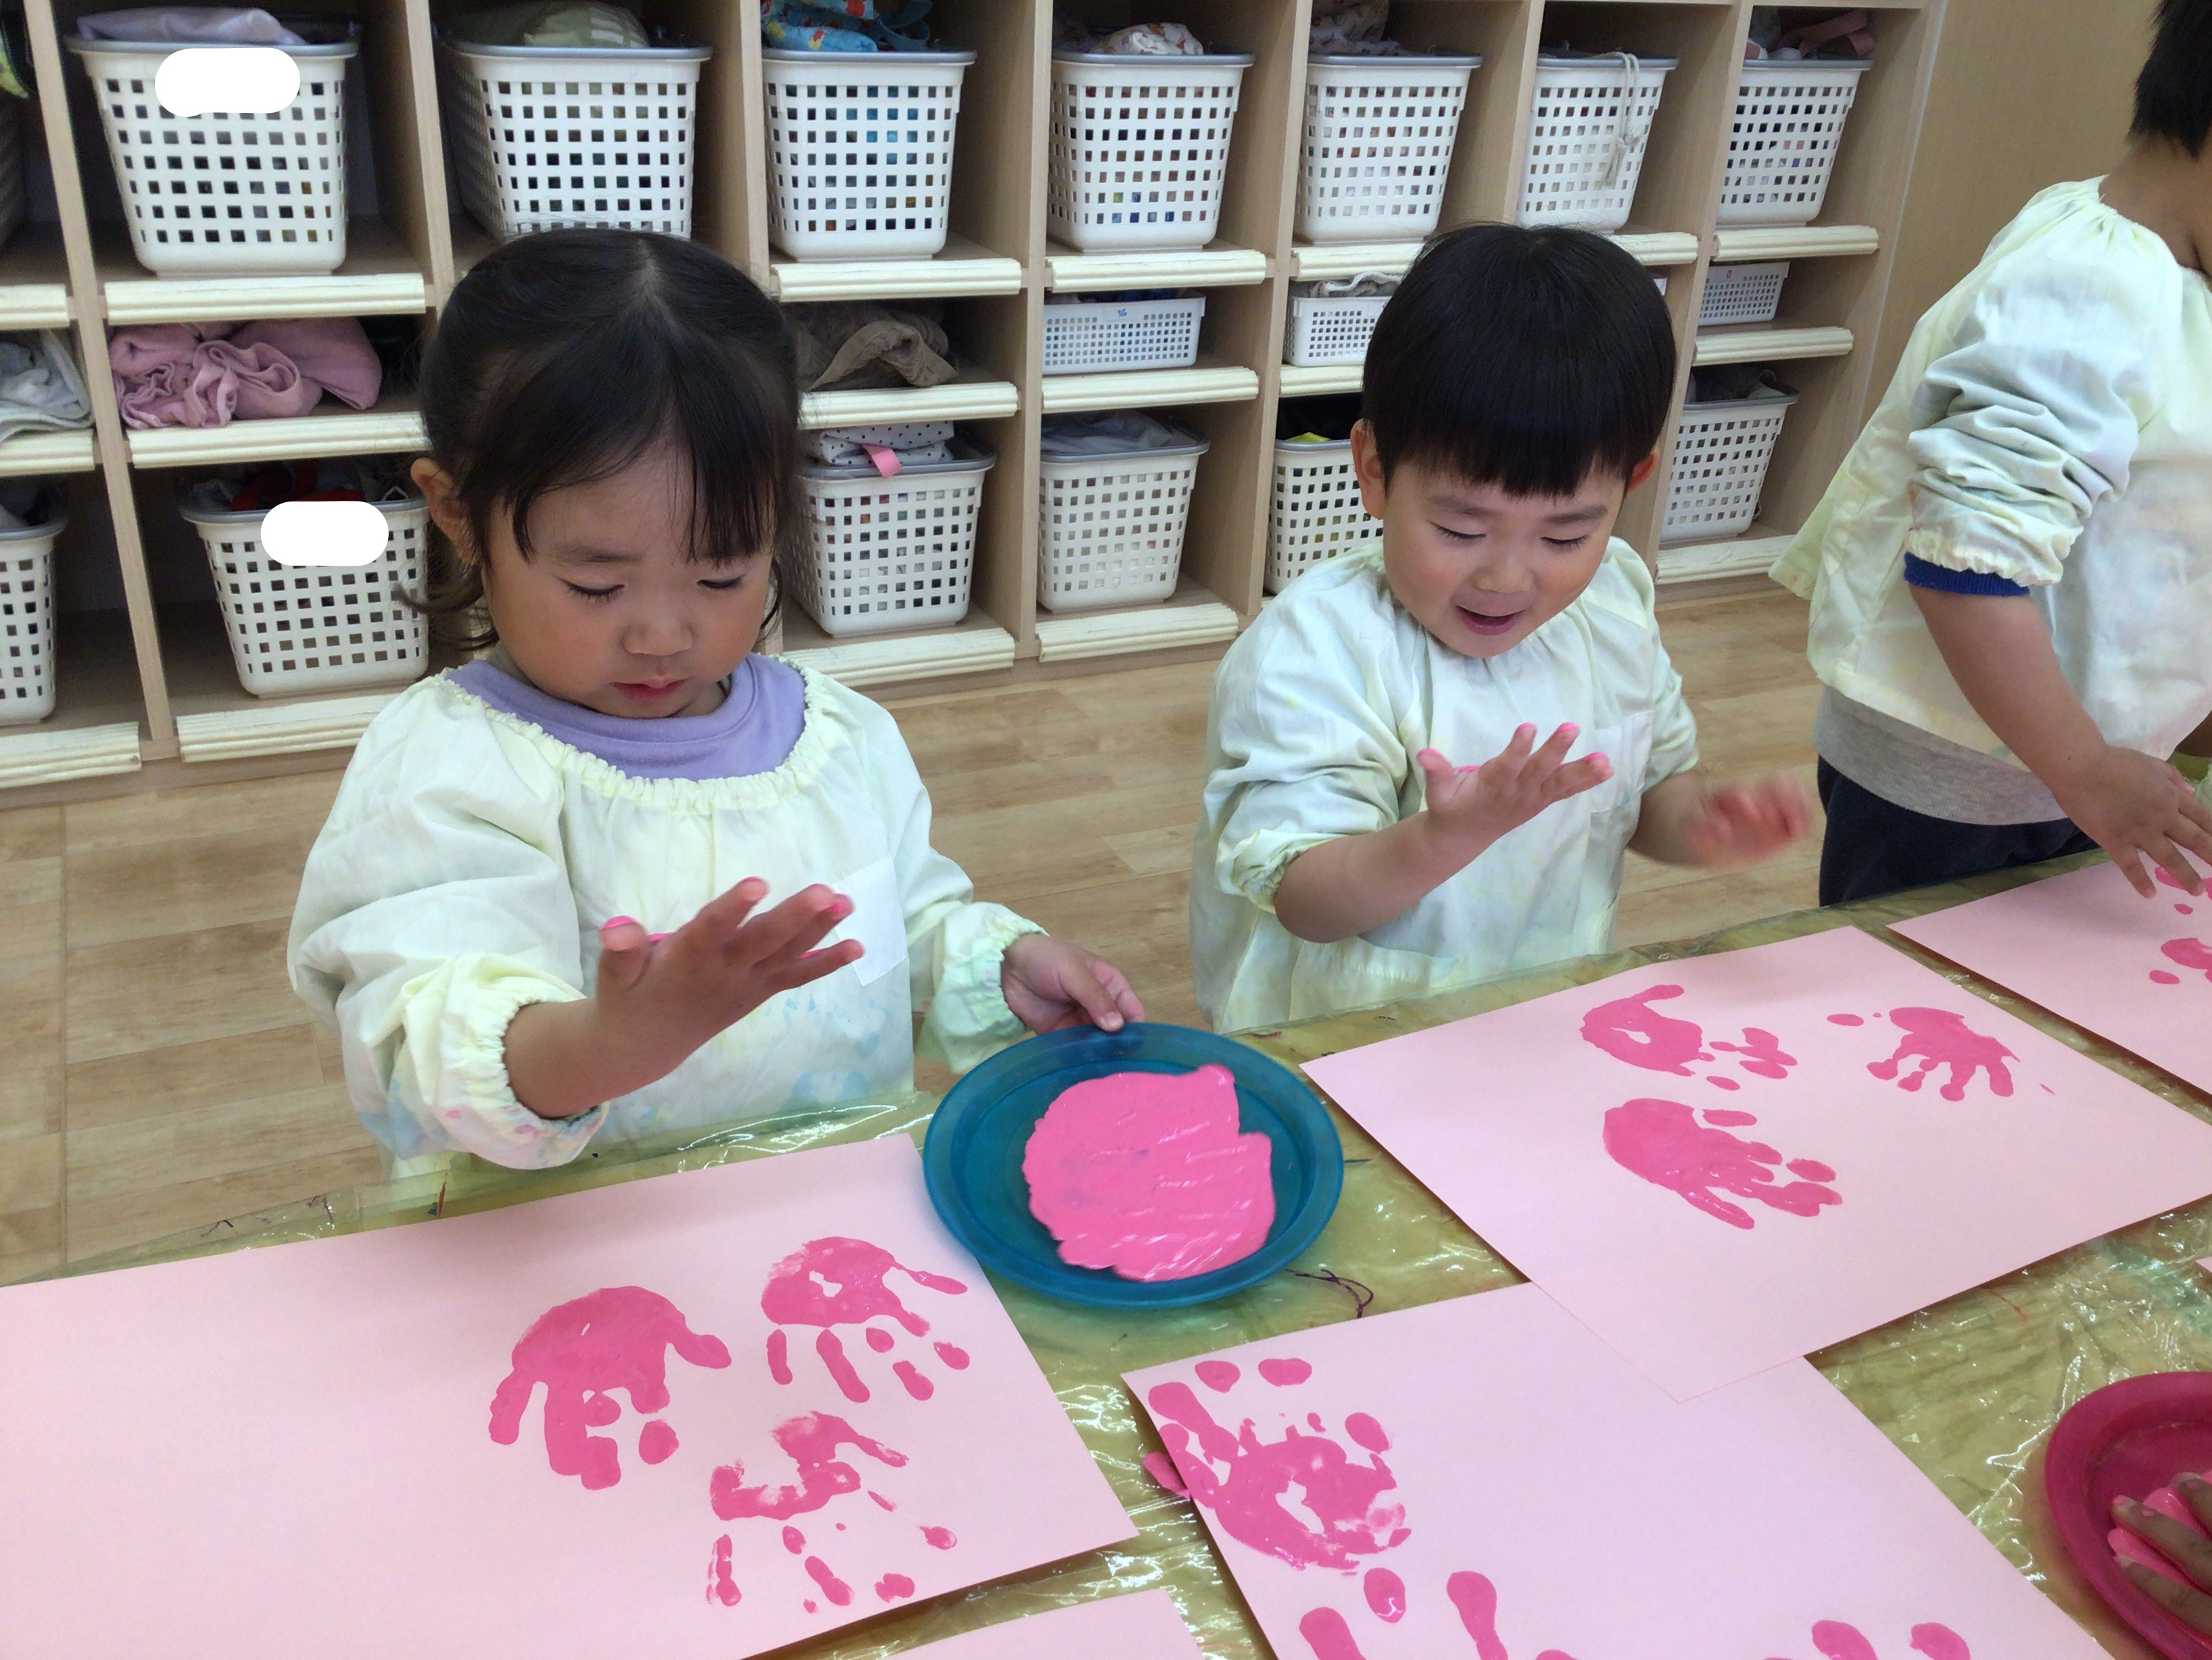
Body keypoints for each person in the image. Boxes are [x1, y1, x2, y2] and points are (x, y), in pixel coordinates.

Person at [289, 231, 1142, 1171]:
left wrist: (1000, 966)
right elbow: (422, 1040)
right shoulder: (448, 767)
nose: (662, 635)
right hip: (572, 1237)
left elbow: (907, 925)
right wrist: (612, 1043)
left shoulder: (836, 738)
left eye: (722, 574)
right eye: (596, 586)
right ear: (457, 513)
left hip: (820, 1211)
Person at [1188, 224, 1811, 1034]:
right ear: (1373, 469)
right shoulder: (1314, 649)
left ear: (1631, 484)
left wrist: (1703, 824)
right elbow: (1306, 899)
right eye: (1461, 529)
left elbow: (1645, 790)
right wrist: (1446, 835)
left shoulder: (1613, 603)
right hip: (1335, 1039)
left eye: (1565, 535)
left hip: (1533, 1020)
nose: (1506, 577)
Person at [1772, 0, 2212, 904]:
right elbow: (1965, 567)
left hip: (2075, 759)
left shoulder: (2170, 274)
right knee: (1910, 974)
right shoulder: (2089, 288)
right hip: (1957, 772)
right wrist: (2084, 766)